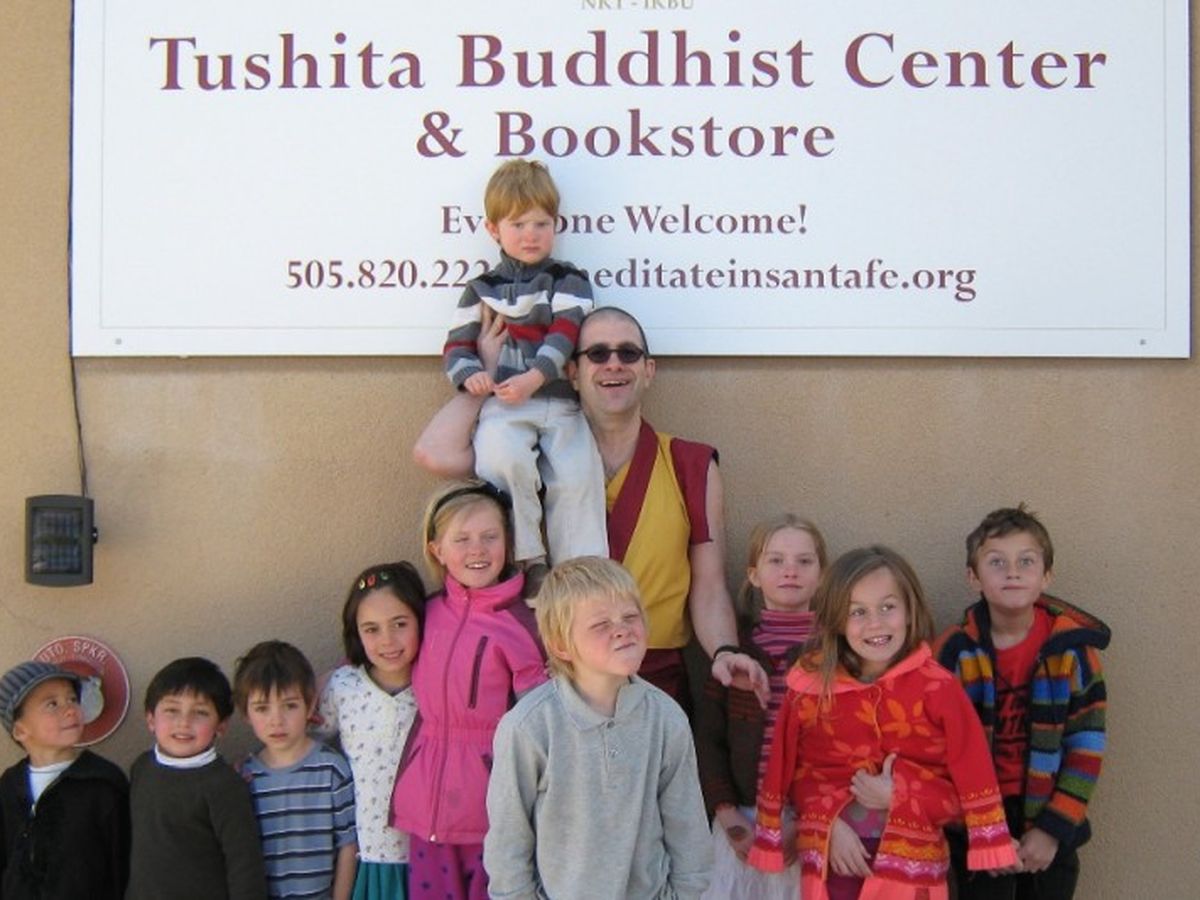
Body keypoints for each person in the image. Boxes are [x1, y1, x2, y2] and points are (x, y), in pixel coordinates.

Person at [415, 305, 766, 708]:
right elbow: (432, 452)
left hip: (657, 680)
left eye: (628, 353)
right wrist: (489, 374)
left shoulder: (691, 465)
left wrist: (724, 651)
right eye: (597, 354)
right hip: (559, 679)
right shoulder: (530, 458)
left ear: (648, 370)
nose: (613, 364)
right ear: (571, 373)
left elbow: (709, 586)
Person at [749, 546, 1018, 900]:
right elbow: (797, 776)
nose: (874, 623)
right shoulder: (812, 688)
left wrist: (899, 794)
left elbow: (965, 790)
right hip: (834, 865)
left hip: (912, 871)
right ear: (836, 620)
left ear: (909, 611)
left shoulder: (937, 689)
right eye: (857, 612)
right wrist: (825, 826)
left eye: (888, 607)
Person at [484, 556, 712, 899]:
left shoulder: (667, 719)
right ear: (561, 645)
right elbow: (508, 842)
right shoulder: (528, 728)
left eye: (630, 617)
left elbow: (688, 827)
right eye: (601, 624)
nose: (622, 629)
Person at [443, 158, 606, 587]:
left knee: (577, 479)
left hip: (560, 403)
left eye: (541, 224)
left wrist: (534, 377)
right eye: (518, 224)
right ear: (493, 229)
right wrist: (471, 375)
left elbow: (565, 334)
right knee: (501, 460)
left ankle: (583, 579)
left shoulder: (569, 280)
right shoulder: (481, 290)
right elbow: (457, 345)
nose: (530, 234)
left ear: (556, 225)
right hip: (504, 404)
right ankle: (529, 559)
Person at [935, 505, 1109, 900]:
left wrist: (1052, 829)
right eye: (996, 562)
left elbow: (1087, 746)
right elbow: (936, 748)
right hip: (976, 823)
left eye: (1026, 561)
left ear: (1046, 575)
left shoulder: (1072, 652)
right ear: (973, 577)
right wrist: (985, 830)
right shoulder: (953, 653)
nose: (1012, 572)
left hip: (1051, 821)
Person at [390, 480, 548, 900]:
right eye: (461, 539)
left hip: (490, 809)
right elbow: (384, 655)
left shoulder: (522, 624)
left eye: (490, 537)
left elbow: (540, 718)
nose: (477, 549)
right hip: (426, 806)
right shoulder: (424, 612)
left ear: (508, 545)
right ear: (437, 550)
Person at [693, 514, 827, 900]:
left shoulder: (836, 655)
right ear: (753, 574)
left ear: (822, 575)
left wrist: (807, 821)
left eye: (804, 561)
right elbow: (708, 740)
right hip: (742, 816)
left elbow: (844, 745)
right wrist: (727, 814)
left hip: (812, 821)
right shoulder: (734, 652)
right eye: (776, 560)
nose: (790, 570)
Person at [315, 562, 426, 900]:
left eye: (400, 624)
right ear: (356, 633)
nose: (387, 640)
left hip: (431, 855)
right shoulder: (342, 686)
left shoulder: (436, 684)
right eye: (371, 629)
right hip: (370, 855)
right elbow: (301, 741)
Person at [127, 656, 267, 900]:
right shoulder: (141, 768)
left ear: (221, 726)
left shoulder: (224, 785)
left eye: (200, 712)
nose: (184, 722)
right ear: (150, 719)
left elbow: (244, 864)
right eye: (172, 710)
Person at [234, 641, 357, 900]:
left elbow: (348, 844)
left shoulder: (332, 769)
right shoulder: (244, 778)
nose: (276, 720)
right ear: (245, 713)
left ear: (310, 705)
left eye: (290, 705)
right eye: (262, 708)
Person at [0, 660, 130, 899]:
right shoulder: (9, 785)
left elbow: (121, 867)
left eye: (72, 699)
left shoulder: (103, 783)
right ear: (20, 730)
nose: (70, 710)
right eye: (52, 704)